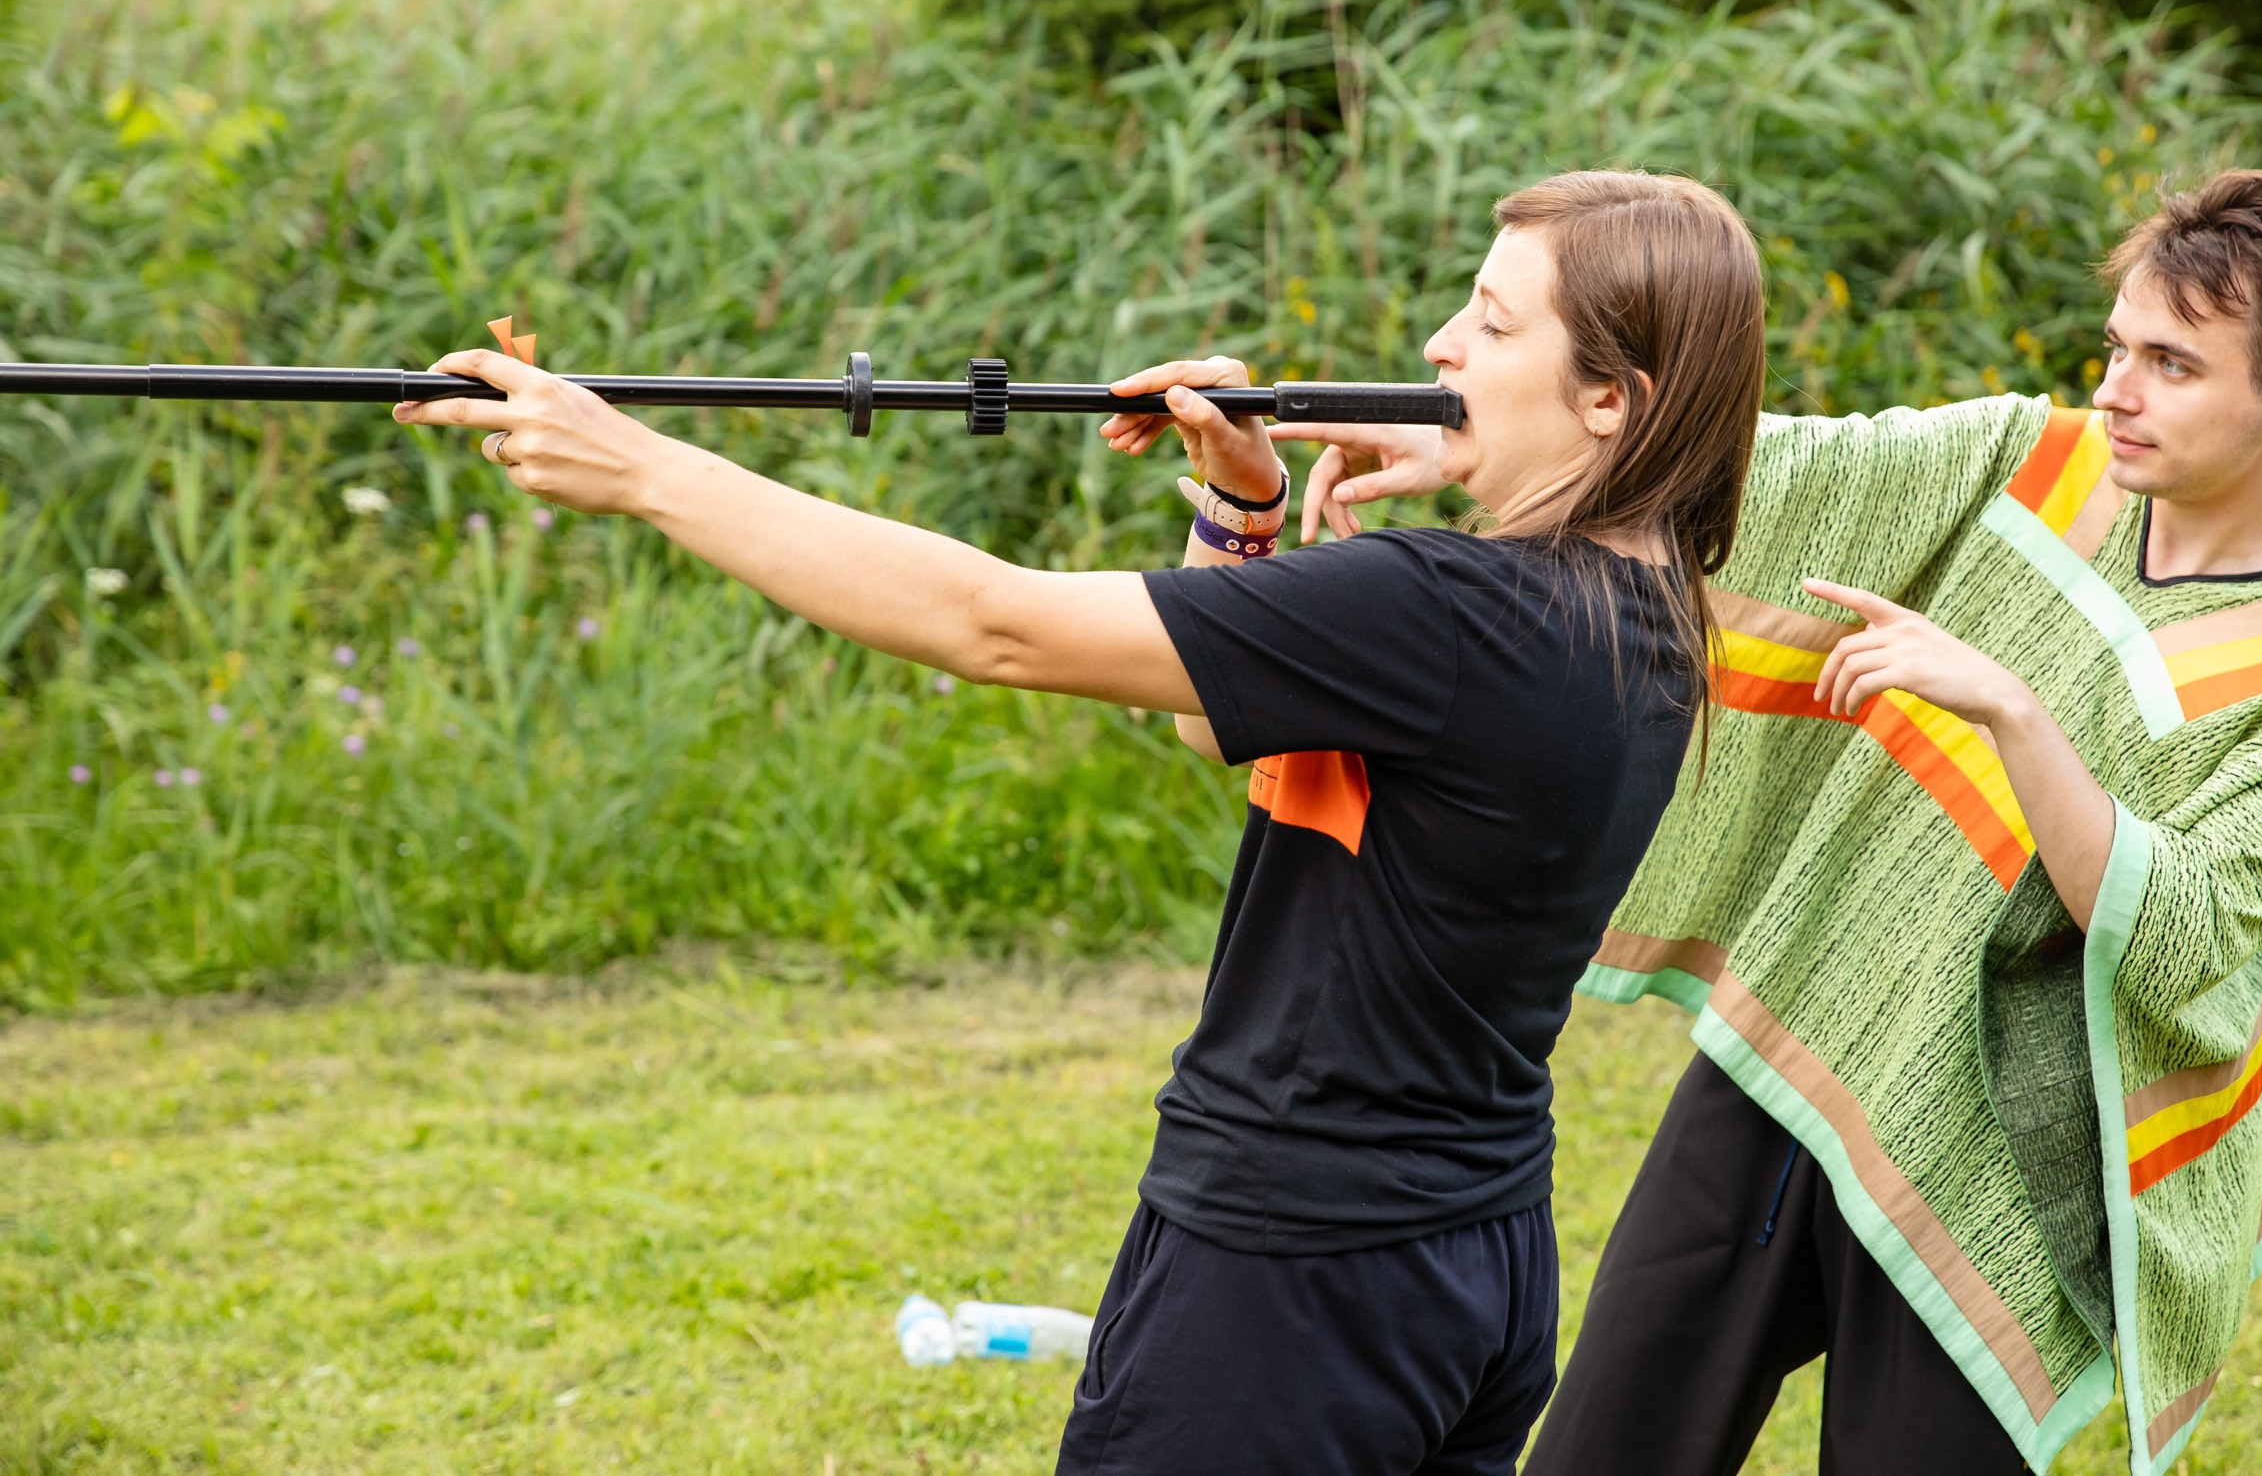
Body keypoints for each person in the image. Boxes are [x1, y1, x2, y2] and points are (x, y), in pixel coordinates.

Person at [388, 168, 1769, 1475]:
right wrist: (1243, 503)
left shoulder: (1449, 611)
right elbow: (1214, 716)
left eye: (1491, 321)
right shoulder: (1640, 615)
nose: (1438, 345)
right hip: (1472, 1263)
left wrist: (638, 467)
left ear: (1609, 401)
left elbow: (999, 625)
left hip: (1288, 1271)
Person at [1279, 170, 2262, 1476]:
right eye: (2117, 347)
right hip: (1797, 1043)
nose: (2116, 391)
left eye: (2172, 364)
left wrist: (2016, 718)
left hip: (2007, 1178)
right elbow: (1752, 478)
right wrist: (1482, 439)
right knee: (1598, 1451)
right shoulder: (2034, 462)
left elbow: (2193, 939)